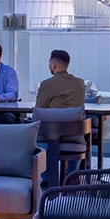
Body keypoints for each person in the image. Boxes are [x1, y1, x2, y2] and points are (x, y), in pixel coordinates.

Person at [36, 49, 88, 185]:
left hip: (49, 137)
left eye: (49, 63)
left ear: (53, 65)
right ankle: (70, 177)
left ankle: (47, 179)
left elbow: (39, 111)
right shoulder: (80, 84)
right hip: (75, 137)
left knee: (36, 134)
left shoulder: (46, 85)